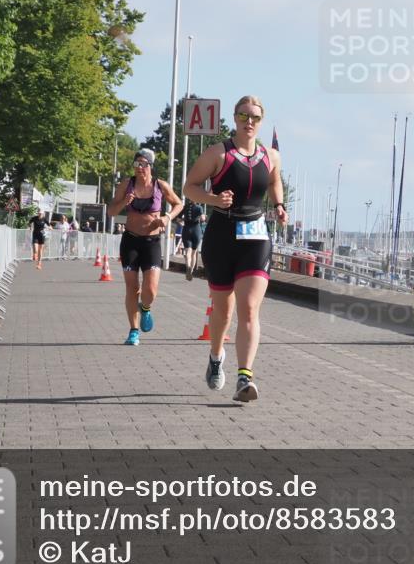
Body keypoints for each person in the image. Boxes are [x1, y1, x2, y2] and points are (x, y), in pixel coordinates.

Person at [183, 95, 287, 402]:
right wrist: (213, 200)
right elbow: (190, 186)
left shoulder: (271, 156)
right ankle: (216, 356)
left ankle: (245, 377)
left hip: (255, 233)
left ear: (261, 121)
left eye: (255, 117)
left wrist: (279, 205)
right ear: (235, 118)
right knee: (223, 310)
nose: (249, 122)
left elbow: (274, 182)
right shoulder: (218, 153)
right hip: (222, 234)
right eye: (244, 116)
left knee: (250, 308)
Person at [108, 148, 184, 345]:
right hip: (131, 241)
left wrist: (167, 217)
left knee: (150, 290)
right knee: (132, 288)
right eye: (136, 164)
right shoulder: (127, 184)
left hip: (152, 242)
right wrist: (125, 201)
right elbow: (111, 211)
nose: (139, 168)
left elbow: (179, 204)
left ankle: (146, 308)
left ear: (150, 166)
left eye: (143, 164)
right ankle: (133, 331)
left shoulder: (160, 186)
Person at [179, 199, 206, 281]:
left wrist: (182, 223)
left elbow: (178, 219)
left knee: (188, 252)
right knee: (194, 253)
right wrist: (203, 216)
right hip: (196, 230)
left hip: (186, 229)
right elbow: (203, 219)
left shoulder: (185, 207)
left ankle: (188, 267)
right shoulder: (199, 207)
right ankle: (191, 270)